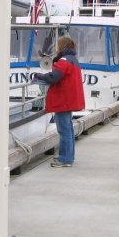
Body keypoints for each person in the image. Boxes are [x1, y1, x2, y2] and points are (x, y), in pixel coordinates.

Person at [34, 36, 85, 167]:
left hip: (63, 100)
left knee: (64, 130)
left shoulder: (63, 60)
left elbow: (53, 77)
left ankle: (65, 159)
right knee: (68, 129)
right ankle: (68, 156)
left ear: (61, 46)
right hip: (69, 99)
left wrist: (38, 76)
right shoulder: (73, 59)